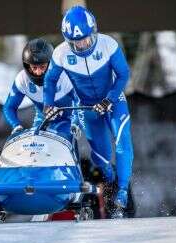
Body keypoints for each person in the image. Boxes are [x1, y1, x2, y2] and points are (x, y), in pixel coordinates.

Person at [43, 6, 134, 218]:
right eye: (76, 42)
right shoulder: (60, 53)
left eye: (87, 39)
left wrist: (109, 98)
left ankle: (121, 191)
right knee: (101, 157)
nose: (83, 44)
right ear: (68, 41)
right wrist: (48, 104)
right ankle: (110, 178)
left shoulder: (109, 44)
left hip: (113, 101)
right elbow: (50, 80)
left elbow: (123, 74)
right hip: (86, 107)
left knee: (122, 141)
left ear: (94, 32)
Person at [2, 38, 80, 141]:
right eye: (34, 68)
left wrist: (75, 122)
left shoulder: (64, 75)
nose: (38, 73)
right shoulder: (22, 79)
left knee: (65, 138)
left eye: (42, 67)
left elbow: (79, 100)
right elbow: (9, 107)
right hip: (42, 119)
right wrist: (16, 125)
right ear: (27, 66)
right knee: (35, 144)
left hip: (68, 120)